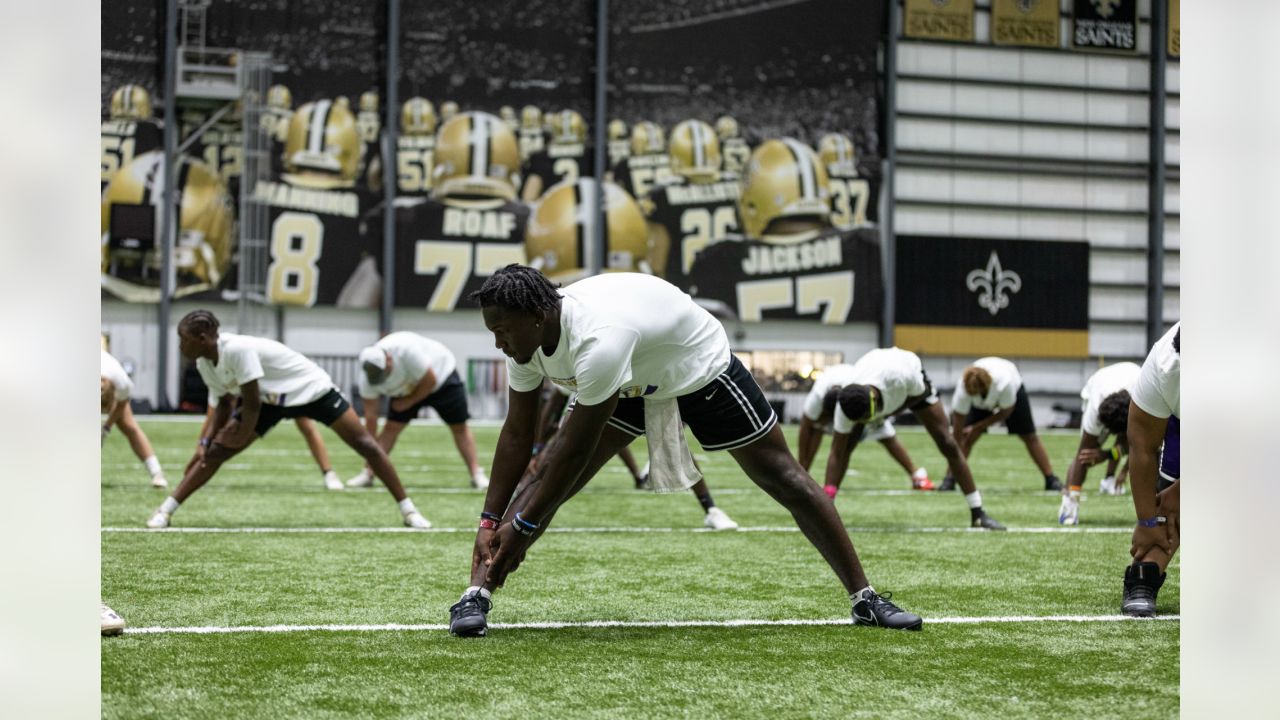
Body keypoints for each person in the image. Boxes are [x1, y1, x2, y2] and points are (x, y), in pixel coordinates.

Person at [447, 265, 922, 637]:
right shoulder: (526, 340)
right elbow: (516, 434)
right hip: (634, 376)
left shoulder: (599, 341)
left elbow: (574, 452)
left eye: (502, 331)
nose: (497, 342)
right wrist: (490, 521)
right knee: (543, 471)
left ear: (538, 316)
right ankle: (476, 595)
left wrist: (524, 525)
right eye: (492, 331)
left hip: (693, 365)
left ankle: (866, 598)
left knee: (783, 477)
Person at [145, 310, 431, 529]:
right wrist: (207, 441)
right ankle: (166, 511)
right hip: (270, 401)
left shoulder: (237, 349)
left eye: (184, 339)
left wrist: (241, 435)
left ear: (203, 339)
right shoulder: (203, 363)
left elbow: (251, 401)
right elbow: (222, 405)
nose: (180, 345)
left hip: (310, 390)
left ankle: (409, 511)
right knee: (215, 453)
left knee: (366, 445)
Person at [827, 348, 1006, 530]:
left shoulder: (900, 377)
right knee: (845, 447)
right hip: (877, 382)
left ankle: (978, 513)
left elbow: (921, 392)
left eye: (866, 420)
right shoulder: (846, 403)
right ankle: (827, 510)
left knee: (948, 443)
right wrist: (827, 497)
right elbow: (836, 452)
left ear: (874, 405)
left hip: (913, 385)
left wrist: (893, 411)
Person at [533, 379, 739, 530]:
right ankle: (530, 509)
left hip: (641, 384)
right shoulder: (567, 358)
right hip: (600, 394)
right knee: (561, 454)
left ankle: (711, 509)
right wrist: (539, 447)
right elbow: (553, 404)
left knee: (673, 442)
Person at [347, 332, 490, 490]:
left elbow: (430, 380)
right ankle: (369, 472)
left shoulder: (406, 350)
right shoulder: (367, 378)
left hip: (440, 377)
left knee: (459, 427)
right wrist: (369, 451)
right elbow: (371, 417)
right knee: (391, 428)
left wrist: (407, 402)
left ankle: (476, 474)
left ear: (389, 359)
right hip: (406, 388)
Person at [796, 363, 933, 494]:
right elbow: (806, 427)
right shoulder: (817, 397)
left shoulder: (857, 393)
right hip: (846, 395)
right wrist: (803, 466)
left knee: (886, 435)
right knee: (817, 428)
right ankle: (803, 473)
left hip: (862, 402)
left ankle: (917, 476)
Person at [1121, 323, 1180, 617]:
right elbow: (1142, 447)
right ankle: (1144, 574)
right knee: (1166, 513)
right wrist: (1147, 521)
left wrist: (1181, 493)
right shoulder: (1165, 363)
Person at [945, 357, 1063, 492]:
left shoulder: (1005, 383)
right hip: (985, 396)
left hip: (1013, 394)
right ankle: (949, 478)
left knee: (1029, 436)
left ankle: (1051, 478)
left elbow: (1006, 412)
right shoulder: (964, 387)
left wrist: (977, 427)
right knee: (966, 439)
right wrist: (958, 437)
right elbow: (958, 425)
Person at [1056, 361, 1141, 525]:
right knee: (1086, 452)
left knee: (1137, 441)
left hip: (1133, 383)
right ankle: (1069, 503)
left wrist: (1110, 457)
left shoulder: (1143, 402)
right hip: (1098, 383)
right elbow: (1083, 454)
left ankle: (1108, 480)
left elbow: (1139, 445)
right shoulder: (1094, 411)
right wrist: (1074, 494)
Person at [101, 348, 167, 488]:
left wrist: (106, 428)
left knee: (129, 427)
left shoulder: (121, 382)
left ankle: (157, 473)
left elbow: (120, 405)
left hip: (115, 396)